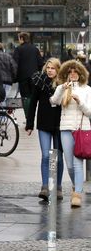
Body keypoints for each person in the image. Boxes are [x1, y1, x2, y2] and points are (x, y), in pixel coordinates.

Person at [50, 60, 91, 208]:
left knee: (77, 162)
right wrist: (61, 88)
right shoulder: (62, 88)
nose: (73, 74)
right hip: (66, 129)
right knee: (70, 165)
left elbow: (89, 112)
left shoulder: (87, 90)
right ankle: (76, 186)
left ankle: (77, 194)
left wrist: (80, 101)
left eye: (75, 72)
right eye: (70, 71)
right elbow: (54, 101)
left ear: (80, 74)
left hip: (82, 129)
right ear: (66, 73)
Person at [26, 58, 63, 201]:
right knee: (46, 156)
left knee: (57, 157)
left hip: (60, 125)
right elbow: (32, 103)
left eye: (53, 68)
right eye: (48, 67)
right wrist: (29, 124)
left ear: (58, 69)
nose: (49, 70)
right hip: (43, 123)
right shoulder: (39, 82)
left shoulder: (62, 84)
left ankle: (58, 187)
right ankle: (45, 187)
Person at [13, 32, 44, 113]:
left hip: (22, 77)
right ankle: (32, 115)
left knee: (25, 97)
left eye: (19, 38)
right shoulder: (35, 49)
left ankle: (27, 115)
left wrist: (14, 77)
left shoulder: (18, 49)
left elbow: (14, 64)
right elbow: (40, 63)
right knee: (33, 96)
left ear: (22, 39)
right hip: (34, 77)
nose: (19, 40)